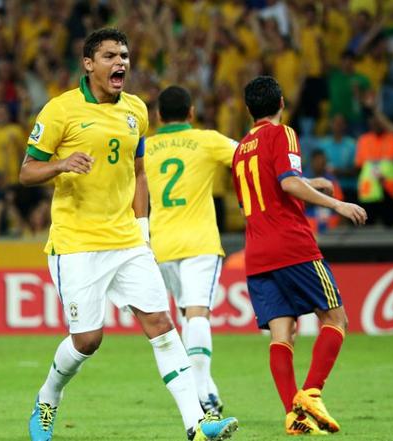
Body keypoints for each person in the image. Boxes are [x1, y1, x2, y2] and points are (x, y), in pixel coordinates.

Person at [20, 28, 238, 441]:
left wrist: (141, 227)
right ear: (88, 64)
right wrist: (61, 164)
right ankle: (47, 400)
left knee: (161, 323)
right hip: (77, 242)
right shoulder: (60, 110)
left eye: (124, 55)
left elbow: (139, 172)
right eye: (109, 56)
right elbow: (27, 170)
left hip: (126, 240)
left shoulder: (136, 109)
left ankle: (197, 422)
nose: (120, 62)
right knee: (87, 340)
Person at [232, 76, 367, 436]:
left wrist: (310, 183)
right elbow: (286, 183)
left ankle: (294, 415)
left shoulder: (240, 149)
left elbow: (258, 196)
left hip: (257, 251)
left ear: (248, 110)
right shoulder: (283, 133)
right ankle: (312, 393)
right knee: (336, 320)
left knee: (283, 333)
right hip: (292, 245)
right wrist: (337, 202)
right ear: (281, 102)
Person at [144, 85, 239, 416]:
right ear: (191, 113)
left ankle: (207, 386)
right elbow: (248, 157)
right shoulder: (207, 139)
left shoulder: (146, 147)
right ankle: (202, 392)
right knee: (197, 313)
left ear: (158, 116)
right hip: (199, 241)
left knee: (186, 314)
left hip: (162, 244)